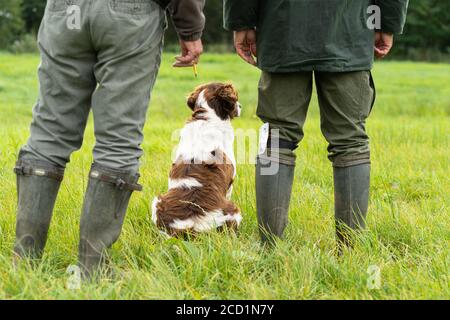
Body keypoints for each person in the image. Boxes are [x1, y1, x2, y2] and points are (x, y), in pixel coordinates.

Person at [13, 0, 205, 277]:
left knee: (48, 132)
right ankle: (93, 270)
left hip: (65, 10)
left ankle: (24, 264)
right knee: (118, 139)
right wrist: (190, 28)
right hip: (130, 14)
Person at [224, 0, 409, 249]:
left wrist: (242, 20)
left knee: (277, 137)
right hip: (349, 29)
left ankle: (270, 249)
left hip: (282, 27)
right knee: (350, 140)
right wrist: (387, 21)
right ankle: (351, 252)